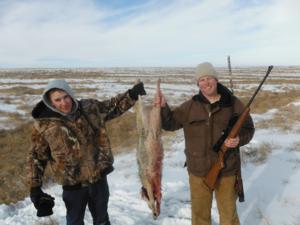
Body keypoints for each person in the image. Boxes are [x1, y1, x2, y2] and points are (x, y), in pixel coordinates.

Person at [27, 79, 146, 225]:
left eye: (66, 97)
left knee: (102, 220)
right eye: (57, 100)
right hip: (73, 186)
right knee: (74, 221)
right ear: (50, 102)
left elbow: (112, 107)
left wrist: (132, 94)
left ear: (71, 95)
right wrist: (35, 188)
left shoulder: (89, 108)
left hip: (98, 180)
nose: (64, 103)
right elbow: (37, 157)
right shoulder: (43, 125)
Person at [154, 62, 255, 225]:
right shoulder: (190, 106)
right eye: (202, 79)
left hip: (227, 170)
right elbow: (170, 124)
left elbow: (249, 128)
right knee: (200, 217)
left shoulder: (234, 104)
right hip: (198, 171)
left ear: (216, 80)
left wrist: (239, 140)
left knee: (229, 217)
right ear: (198, 83)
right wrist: (164, 107)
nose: (206, 82)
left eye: (209, 78)